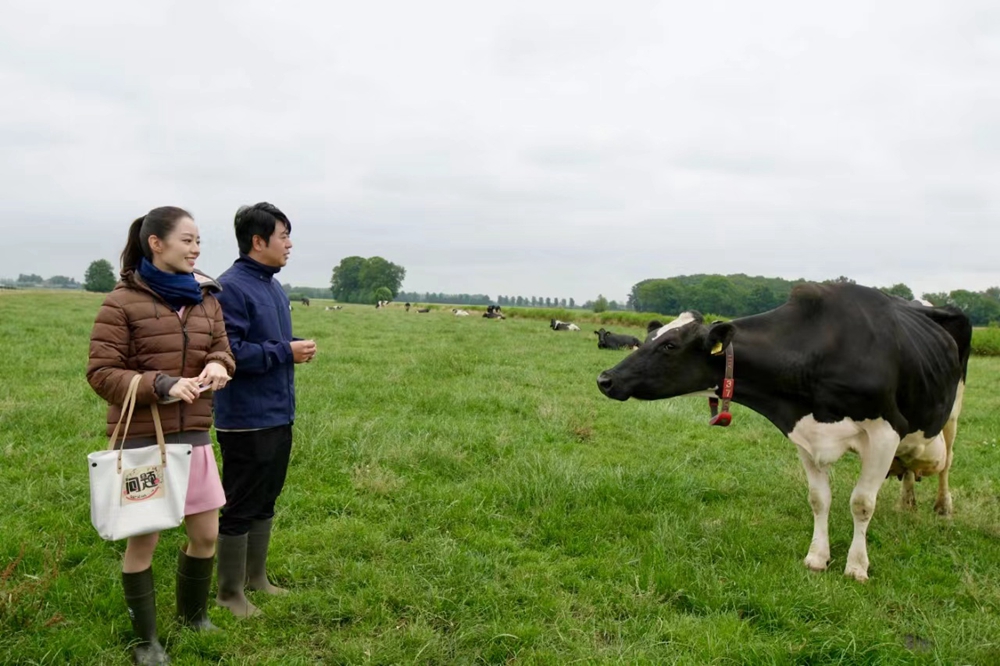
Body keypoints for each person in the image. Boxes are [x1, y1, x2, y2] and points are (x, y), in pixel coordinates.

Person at [87, 206, 235, 665]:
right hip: (143, 439)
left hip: (194, 434)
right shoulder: (122, 301)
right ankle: (145, 641)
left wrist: (218, 365)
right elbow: (101, 372)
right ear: (157, 243)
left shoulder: (207, 297)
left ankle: (193, 617)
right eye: (187, 239)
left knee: (206, 534)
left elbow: (223, 349)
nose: (195, 248)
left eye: (198, 241)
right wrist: (164, 385)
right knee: (144, 538)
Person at [212, 202, 317, 618]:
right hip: (245, 419)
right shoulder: (231, 288)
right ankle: (228, 592)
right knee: (240, 502)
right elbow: (229, 354)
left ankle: (256, 578)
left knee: (267, 497)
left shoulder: (273, 286)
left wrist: (286, 354)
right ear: (258, 241)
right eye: (283, 236)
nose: (289, 245)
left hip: (278, 412)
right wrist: (285, 352)